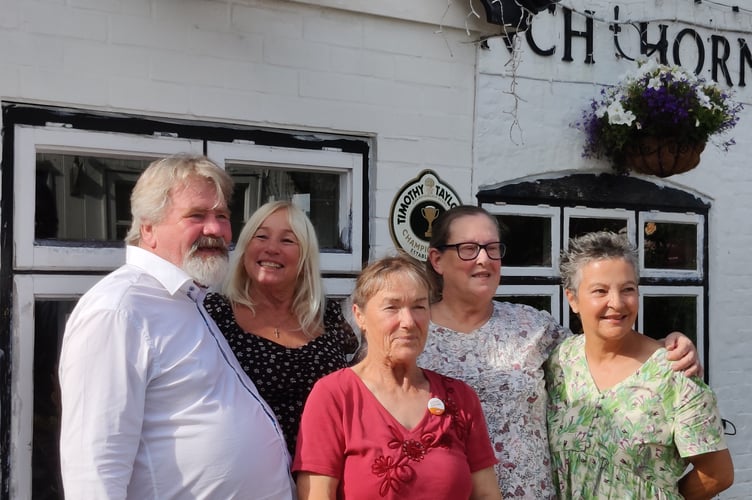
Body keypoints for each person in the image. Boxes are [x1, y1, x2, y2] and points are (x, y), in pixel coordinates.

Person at [418, 205, 702, 499]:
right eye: (468, 248)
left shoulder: (533, 327)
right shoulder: (413, 334)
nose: (483, 259)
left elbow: (601, 350)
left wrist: (666, 345)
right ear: (437, 260)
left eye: (492, 248)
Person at [58, 154, 294, 499]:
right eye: (196, 216)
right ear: (148, 227)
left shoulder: (185, 297)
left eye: (222, 216)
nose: (215, 229)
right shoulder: (120, 309)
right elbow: (94, 468)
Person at [293, 254, 502, 500]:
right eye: (392, 307)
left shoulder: (460, 398)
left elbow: (488, 494)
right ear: (359, 316)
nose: (408, 322)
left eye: (419, 306)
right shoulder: (335, 395)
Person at [545, 231, 733, 498]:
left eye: (628, 289)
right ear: (572, 299)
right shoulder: (560, 363)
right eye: (600, 290)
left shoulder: (675, 372)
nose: (617, 303)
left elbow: (719, 473)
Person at [204, 200, 358, 456]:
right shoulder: (215, 315)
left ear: (305, 256)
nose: (271, 248)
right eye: (261, 236)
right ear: (244, 249)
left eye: (287, 241)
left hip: (323, 472)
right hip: (247, 474)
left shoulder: (327, 316)